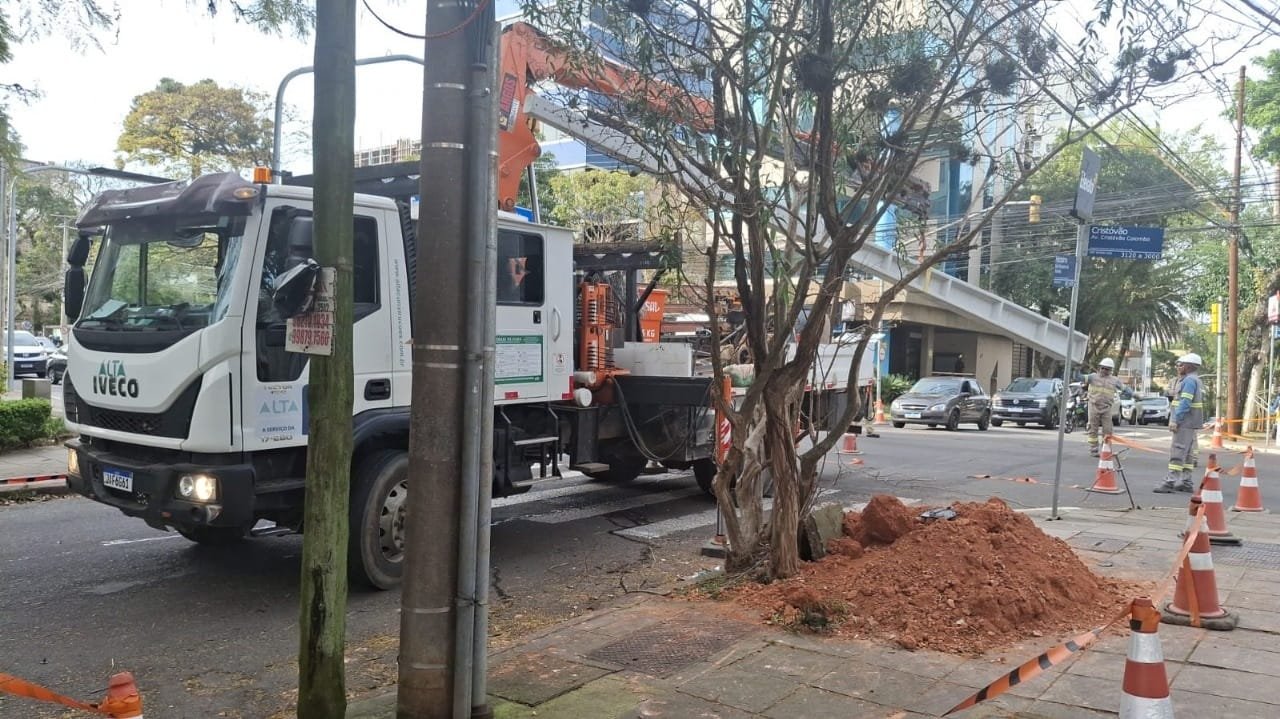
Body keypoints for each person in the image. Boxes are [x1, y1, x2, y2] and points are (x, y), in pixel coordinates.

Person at [1155, 353, 1205, 493]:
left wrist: (1176, 420)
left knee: (1178, 450)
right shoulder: (1195, 380)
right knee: (1188, 453)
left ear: (1189, 366)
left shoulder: (1189, 381)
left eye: (1180, 364)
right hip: (1191, 422)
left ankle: (1169, 482)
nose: (1178, 367)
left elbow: (1185, 402)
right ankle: (1186, 482)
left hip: (1184, 421)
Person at [1083, 358, 1130, 457]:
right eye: (1103, 368)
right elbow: (1080, 378)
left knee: (1108, 430)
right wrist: (1075, 369)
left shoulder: (1114, 380)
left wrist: (1134, 395)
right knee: (1093, 428)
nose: (1104, 370)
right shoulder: (1092, 377)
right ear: (1100, 368)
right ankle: (1094, 450)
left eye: (1107, 369)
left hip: (1107, 408)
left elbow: (1125, 388)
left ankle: (1106, 450)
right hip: (1093, 405)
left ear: (1111, 370)